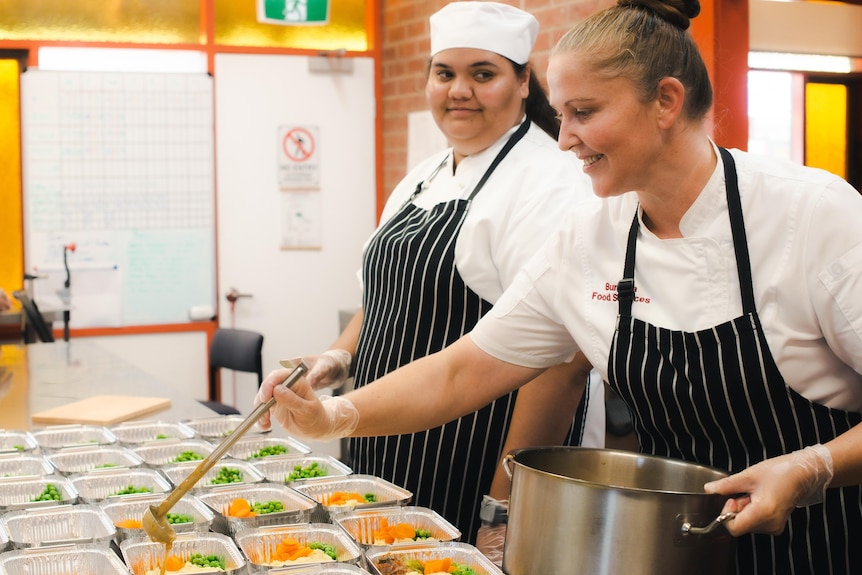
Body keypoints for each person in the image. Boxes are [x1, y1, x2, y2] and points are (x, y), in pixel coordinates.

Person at [259, 0, 601, 552]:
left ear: (522, 84)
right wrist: (335, 359)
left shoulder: (550, 182)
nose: (458, 90)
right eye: (444, 73)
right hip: (378, 440)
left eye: (482, 74)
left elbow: (553, 366)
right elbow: (384, 301)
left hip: (472, 455)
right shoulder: (426, 174)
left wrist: (504, 505)